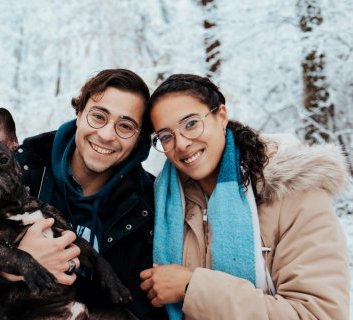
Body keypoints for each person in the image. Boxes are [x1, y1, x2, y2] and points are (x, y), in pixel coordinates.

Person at [0, 69, 167, 319]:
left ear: (140, 136)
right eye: (98, 116)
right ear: (79, 113)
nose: (106, 134)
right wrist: (8, 269)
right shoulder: (20, 167)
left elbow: (148, 300)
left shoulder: (151, 199)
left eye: (126, 126)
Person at [139, 74, 350, 319]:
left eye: (191, 123)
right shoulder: (166, 206)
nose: (182, 143)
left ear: (221, 116)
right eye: (165, 136)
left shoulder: (294, 194)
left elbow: (319, 314)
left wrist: (191, 288)